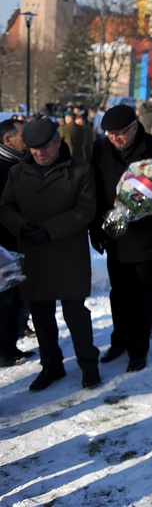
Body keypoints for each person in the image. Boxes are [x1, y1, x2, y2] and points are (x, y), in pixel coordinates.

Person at [0, 118, 100, 390]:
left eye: (44, 147)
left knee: (76, 315)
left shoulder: (80, 170)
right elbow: (6, 208)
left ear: (58, 141)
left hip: (69, 254)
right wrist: (21, 227)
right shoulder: (18, 173)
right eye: (33, 148)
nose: (39, 153)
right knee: (41, 316)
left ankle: (88, 364)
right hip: (34, 254)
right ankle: (51, 365)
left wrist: (49, 229)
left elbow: (85, 210)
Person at [91, 105, 152, 373]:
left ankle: (139, 350)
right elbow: (94, 192)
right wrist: (96, 229)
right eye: (110, 133)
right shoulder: (99, 149)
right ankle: (120, 340)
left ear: (135, 127)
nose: (115, 138)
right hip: (115, 236)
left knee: (142, 295)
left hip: (147, 237)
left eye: (120, 133)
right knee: (119, 293)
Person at [0, 119, 34, 367]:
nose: (29, 138)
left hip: (20, 243)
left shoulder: (22, 162)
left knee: (16, 299)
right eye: (23, 134)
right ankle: (4, 351)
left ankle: (11, 346)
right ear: (8, 140)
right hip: (3, 247)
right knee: (5, 302)